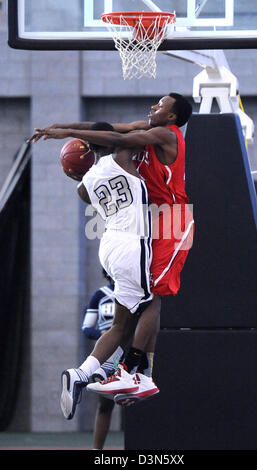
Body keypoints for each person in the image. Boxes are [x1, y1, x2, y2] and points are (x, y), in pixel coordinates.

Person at [29, 93, 194, 406]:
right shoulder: (136, 138)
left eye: (160, 105)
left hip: (171, 219)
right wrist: (63, 126)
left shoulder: (164, 134)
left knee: (152, 299)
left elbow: (108, 135)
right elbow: (108, 130)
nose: (152, 107)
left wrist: (67, 134)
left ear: (172, 118)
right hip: (148, 226)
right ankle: (137, 374)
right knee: (145, 304)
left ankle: (130, 370)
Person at [82, 269, 122, 450]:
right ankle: (97, 450)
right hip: (107, 353)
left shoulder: (135, 291)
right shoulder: (100, 295)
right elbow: (86, 327)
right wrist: (102, 333)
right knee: (105, 405)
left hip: (130, 351)